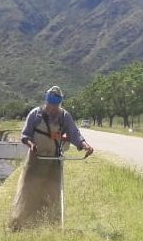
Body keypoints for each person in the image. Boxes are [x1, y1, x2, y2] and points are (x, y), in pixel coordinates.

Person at [9, 86, 94, 230]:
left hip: (54, 162)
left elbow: (74, 134)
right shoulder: (35, 115)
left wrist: (85, 145)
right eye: (50, 105)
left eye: (55, 106)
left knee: (53, 194)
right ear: (46, 102)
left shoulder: (64, 116)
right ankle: (19, 224)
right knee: (28, 191)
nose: (52, 109)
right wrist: (31, 145)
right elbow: (25, 135)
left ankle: (51, 226)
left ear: (60, 104)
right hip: (35, 162)